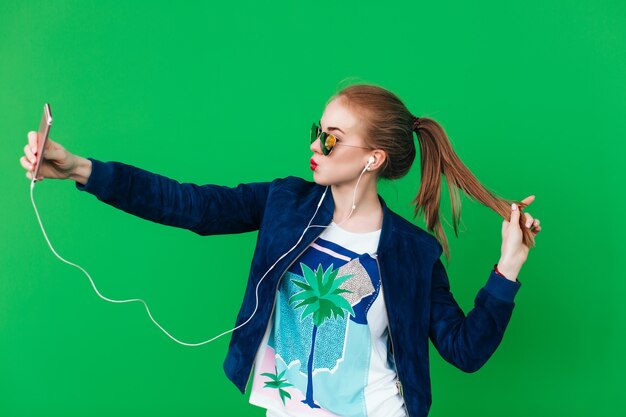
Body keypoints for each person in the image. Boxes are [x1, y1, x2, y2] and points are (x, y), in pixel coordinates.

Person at [21, 83, 541, 417]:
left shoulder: (412, 251)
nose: (316, 147)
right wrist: (81, 169)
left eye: (333, 139)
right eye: (318, 133)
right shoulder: (287, 203)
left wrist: (508, 267)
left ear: (373, 159)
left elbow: (465, 351)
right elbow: (191, 205)